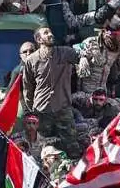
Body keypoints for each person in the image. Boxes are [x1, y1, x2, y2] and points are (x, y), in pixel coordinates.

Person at [22, 26, 81, 157]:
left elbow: (81, 53)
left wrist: (83, 60)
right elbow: (28, 88)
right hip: (42, 111)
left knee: (72, 146)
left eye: (50, 31)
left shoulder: (65, 53)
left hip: (63, 109)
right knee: (45, 148)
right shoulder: (32, 60)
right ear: (39, 39)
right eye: (46, 33)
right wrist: (33, 110)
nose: (50, 34)